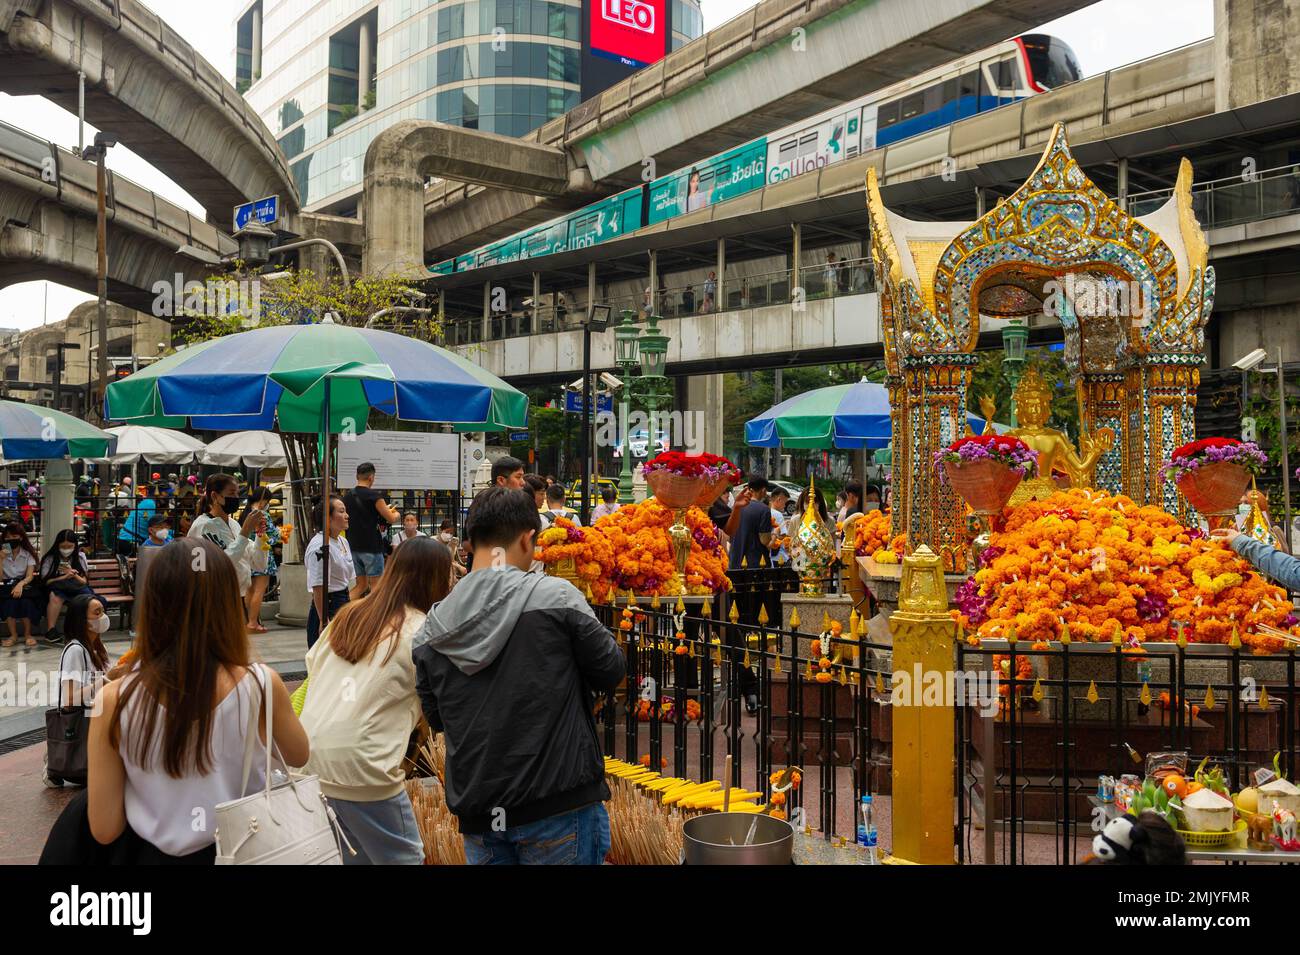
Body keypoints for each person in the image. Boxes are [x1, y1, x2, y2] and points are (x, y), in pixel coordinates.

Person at [413, 487, 624, 864]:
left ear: (470, 541)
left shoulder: (431, 628)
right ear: (528, 538)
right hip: (557, 805)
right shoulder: (557, 598)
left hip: (482, 815)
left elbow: (437, 717)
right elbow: (610, 670)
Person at [84, 539, 309, 863]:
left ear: (154, 604)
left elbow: (105, 828)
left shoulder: (112, 700)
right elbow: (299, 754)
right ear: (227, 605)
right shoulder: (261, 684)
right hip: (249, 849)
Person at [299, 537, 453, 865]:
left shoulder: (350, 614)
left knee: (353, 858)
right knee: (405, 859)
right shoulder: (423, 630)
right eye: (449, 575)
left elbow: (312, 668)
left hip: (312, 758)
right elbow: (446, 701)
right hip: (365, 766)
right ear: (435, 580)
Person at [45, 594, 111, 788]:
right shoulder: (75, 650)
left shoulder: (97, 647)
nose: (103, 617)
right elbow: (69, 699)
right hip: (85, 718)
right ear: (82, 620)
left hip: (97, 712)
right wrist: (106, 680)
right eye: (97, 613)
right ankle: (55, 760)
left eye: (103, 611)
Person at [188, 474, 266, 599]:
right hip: (215, 599)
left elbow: (259, 565)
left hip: (239, 597)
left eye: (236, 493)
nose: (236, 498)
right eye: (231, 493)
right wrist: (245, 531)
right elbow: (219, 565)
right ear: (214, 496)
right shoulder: (203, 526)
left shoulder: (234, 524)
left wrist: (260, 535)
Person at [343, 462, 400, 600]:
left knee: (361, 585)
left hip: (353, 547)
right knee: (376, 586)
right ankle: (374, 618)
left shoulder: (347, 496)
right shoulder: (375, 497)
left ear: (357, 476)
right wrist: (397, 514)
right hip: (371, 548)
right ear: (371, 477)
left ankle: (342, 613)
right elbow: (391, 518)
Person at [304, 494, 355, 649]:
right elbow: (318, 586)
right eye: (341, 511)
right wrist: (322, 619)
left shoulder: (342, 541)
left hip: (343, 601)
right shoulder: (319, 546)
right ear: (328, 518)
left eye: (345, 511)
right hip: (328, 604)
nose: (346, 516)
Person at [39, 529, 100, 640]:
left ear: (75, 545)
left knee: (88, 599)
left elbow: (84, 581)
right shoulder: (50, 558)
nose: (66, 549)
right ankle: (50, 630)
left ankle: (85, 629)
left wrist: (73, 574)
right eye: (63, 546)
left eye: (69, 546)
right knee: (55, 597)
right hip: (58, 586)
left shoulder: (80, 557)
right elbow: (45, 582)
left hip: (76, 587)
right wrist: (64, 577)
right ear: (57, 545)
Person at [240, 487, 280, 633]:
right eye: (267, 500)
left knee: (249, 591)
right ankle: (253, 623)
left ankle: (247, 621)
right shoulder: (262, 514)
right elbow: (272, 536)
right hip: (262, 555)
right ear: (263, 500)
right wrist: (280, 533)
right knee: (259, 591)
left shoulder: (246, 513)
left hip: (247, 554)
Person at [0, 521, 40, 648]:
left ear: (21, 537)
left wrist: (20, 585)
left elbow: (29, 575)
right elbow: (0, 579)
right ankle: (13, 635)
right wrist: (0, 559)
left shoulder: (27, 554)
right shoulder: (2, 553)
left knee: (26, 602)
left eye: (14, 537)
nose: (11, 540)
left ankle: (28, 634)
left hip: (23, 583)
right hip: (6, 584)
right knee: (8, 603)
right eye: (8, 537)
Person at [116, 482, 158, 557]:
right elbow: (153, 523)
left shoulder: (147, 502)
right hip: (130, 541)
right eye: (165, 492)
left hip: (130, 539)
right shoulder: (150, 503)